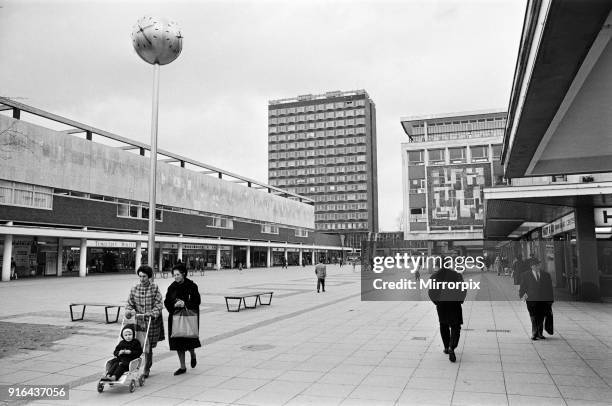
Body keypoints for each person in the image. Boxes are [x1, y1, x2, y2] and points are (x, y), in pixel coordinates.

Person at [125, 265, 165, 378]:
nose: (142, 279)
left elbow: (159, 304)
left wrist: (152, 313)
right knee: (137, 344)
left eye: (144, 276)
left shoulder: (154, 288)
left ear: (149, 277)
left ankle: (147, 367)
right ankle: (132, 366)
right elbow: (129, 303)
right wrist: (129, 311)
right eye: (140, 276)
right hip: (139, 321)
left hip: (151, 322)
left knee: (148, 347)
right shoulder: (135, 288)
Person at [164, 263, 202, 376]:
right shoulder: (172, 287)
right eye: (174, 275)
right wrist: (174, 305)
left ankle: (193, 354)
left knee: (189, 340)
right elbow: (166, 302)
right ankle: (182, 366)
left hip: (189, 317)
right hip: (175, 317)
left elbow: (197, 301)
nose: (175, 277)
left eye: (178, 274)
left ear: (183, 274)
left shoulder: (192, 286)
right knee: (177, 342)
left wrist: (185, 303)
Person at [428, 263, 467, 363]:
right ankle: (452, 347)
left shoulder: (434, 277)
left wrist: (437, 302)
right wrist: (460, 300)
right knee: (455, 326)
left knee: (443, 324)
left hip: (441, 305)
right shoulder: (457, 275)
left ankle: (446, 347)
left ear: (438, 265)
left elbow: (431, 292)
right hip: (454, 304)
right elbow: (463, 289)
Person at [519, 258, 554, 340]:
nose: (537, 267)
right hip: (531, 299)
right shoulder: (525, 275)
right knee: (533, 316)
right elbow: (523, 287)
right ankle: (534, 332)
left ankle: (540, 333)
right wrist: (523, 297)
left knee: (541, 316)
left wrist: (550, 300)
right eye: (535, 265)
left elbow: (549, 288)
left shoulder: (546, 275)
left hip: (543, 299)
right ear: (531, 266)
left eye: (538, 265)